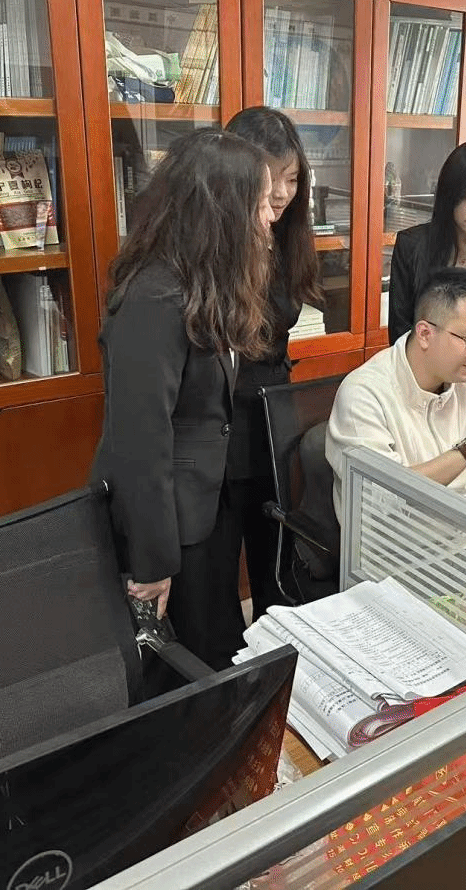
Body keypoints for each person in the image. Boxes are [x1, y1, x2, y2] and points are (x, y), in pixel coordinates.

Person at [91, 128, 275, 671]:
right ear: (224, 213)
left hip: (203, 507)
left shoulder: (202, 284)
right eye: (262, 203)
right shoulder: (155, 297)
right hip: (165, 523)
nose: (271, 216)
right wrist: (152, 565)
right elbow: (139, 442)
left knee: (219, 647)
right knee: (189, 665)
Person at [327, 267, 466, 523]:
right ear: (425, 333)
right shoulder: (364, 394)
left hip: (462, 533)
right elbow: (383, 498)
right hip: (394, 541)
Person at [224, 107, 322, 617]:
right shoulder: (216, 245)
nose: (282, 194)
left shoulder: (286, 237)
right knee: (219, 567)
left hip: (275, 414)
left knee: (276, 559)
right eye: (270, 179)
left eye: (292, 178)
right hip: (224, 418)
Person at [387, 141, 466, 407]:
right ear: (448, 194)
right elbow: (401, 332)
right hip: (417, 393)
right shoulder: (412, 246)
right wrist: (425, 392)